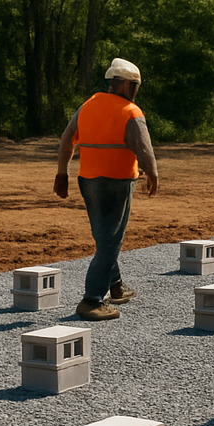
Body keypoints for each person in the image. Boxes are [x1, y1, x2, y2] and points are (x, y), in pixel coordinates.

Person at [53, 58, 160, 321]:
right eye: (134, 85)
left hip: (88, 180)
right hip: (117, 182)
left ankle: (116, 286)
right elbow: (144, 148)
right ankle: (91, 300)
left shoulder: (87, 106)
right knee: (110, 241)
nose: (135, 90)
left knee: (103, 236)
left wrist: (61, 172)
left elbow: (67, 139)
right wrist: (153, 172)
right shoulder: (131, 111)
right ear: (124, 84)